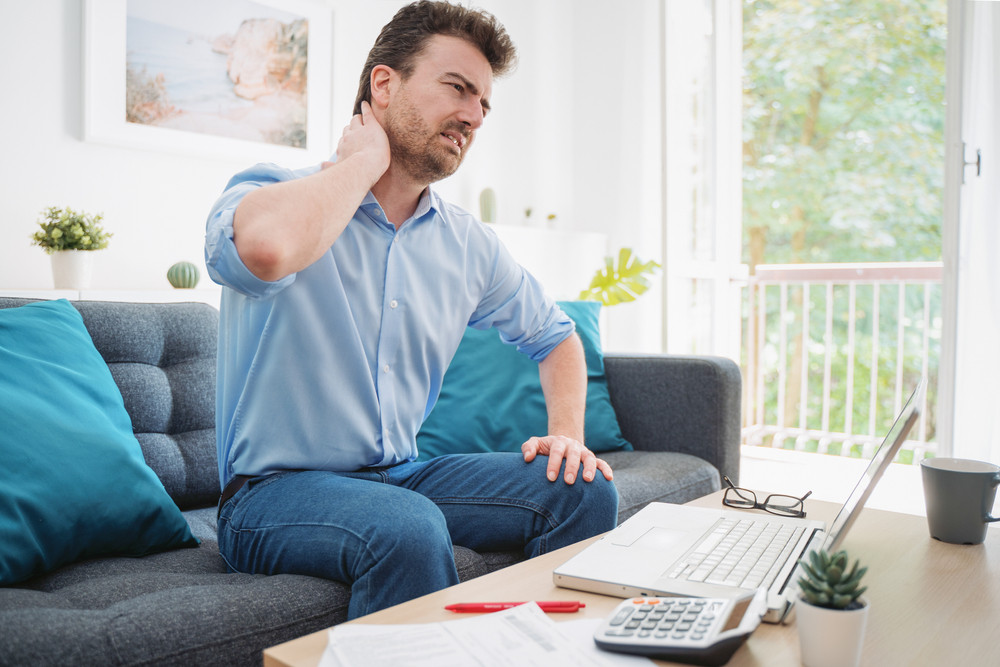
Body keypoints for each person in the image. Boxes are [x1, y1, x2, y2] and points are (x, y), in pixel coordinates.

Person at [205, 0, 618, 620]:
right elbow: (266, 250)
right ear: (384, 84)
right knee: (406, 526)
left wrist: (567, 436)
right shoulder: (274, 191)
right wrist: (366, 163)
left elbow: (558, 338)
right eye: (458, 88)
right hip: (268, 497)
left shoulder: (467, 244)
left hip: (399, 477)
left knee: (580, 492)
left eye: (483, 102)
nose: (474, 116)